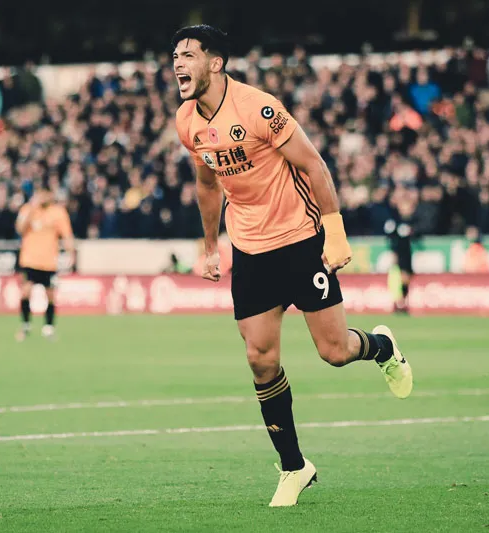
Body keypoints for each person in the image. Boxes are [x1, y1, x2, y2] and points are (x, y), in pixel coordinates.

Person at [173, 25, 413, 507]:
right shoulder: (187, 121)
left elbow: (314, 166)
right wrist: (209, 246)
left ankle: (383, 345)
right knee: (260, 359)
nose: (178, 63)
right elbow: (206, 184)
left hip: (301, 240)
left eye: (189, 55)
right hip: (251, 250)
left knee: (334, 352)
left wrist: (335, 228)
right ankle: (293, 467)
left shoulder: (260, 108)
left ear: (215, 63)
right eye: (174, 55)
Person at [14, 182, 75, 341]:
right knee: (26, 292)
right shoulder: (27, 210)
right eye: (40, 193)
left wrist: (71, 254)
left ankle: (49, 328)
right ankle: (25, 325)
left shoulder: (58, 212)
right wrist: (32, 209)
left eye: (47, 194)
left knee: (50, 295)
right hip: (29, 259)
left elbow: (67, 235)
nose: (44, 197)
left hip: (49, 261)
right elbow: (20, 229)